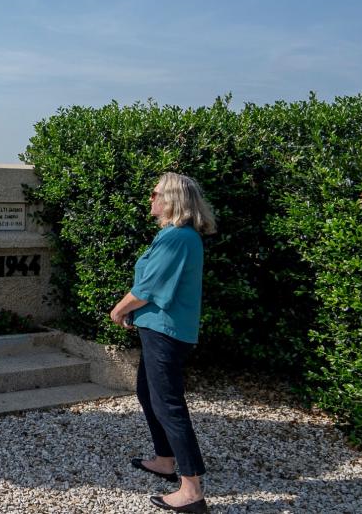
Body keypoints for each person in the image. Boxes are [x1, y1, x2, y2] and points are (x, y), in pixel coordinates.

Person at [109, 172, 217, 513]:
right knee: (148, 394)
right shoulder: (176, 237)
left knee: (169, 405)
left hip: (166, 332)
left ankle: (192, 489)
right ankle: (166, 459)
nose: (150, 198)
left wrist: (118, 311)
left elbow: (147, 288)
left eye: (155, 192)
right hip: (161, 329)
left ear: (171, 198)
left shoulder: (177, 239)